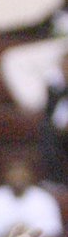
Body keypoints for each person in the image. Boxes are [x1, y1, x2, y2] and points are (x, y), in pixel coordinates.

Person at [0, 0, 68, 112]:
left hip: (62, 53)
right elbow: (30, 29)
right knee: (13, 59)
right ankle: (40, 106)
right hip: (55, 59)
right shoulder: (59, 15)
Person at [39, 50, 68, 186]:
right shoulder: (55, 88)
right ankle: (55, 180)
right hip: (60, 130)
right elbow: (50, 114)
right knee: (46, 130)